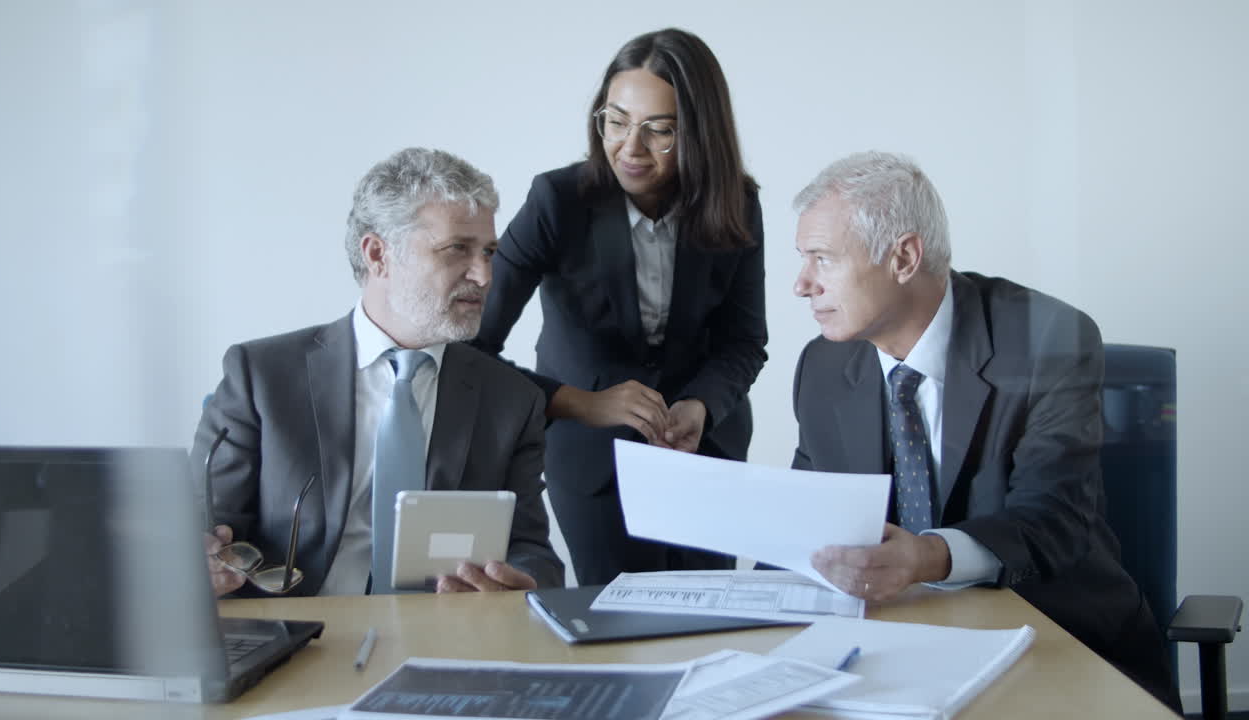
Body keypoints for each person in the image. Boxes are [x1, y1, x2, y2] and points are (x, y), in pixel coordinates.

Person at [790, 150, 1180, 710]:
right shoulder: (824, 368)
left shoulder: (1049, 340)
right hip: (894, 655)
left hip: (1057, 641)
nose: (802, 285)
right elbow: (810, 514)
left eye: (822, 259)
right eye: (803, 259)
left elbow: (1053, 516)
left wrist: (926, 557)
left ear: (903, 257)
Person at [192, 148, 564, 597]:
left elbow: (530, 550)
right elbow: (206, 528)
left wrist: (520, 583)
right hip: (294, 636)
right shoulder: (262, 377)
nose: (485, 275)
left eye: (488, 252)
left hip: (439, 639)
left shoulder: (511, 399)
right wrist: (200, 560)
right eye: (457, 250)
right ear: (378, 254)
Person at [472, 28, 767, 586]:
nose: (629, 147)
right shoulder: (556, 202)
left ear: (701, 134)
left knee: (714, 625)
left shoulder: (738, 203)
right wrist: (582, 404)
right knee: (617, 632)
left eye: (659, 131)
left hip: (704, 454)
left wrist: (701, 405)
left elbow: (744, 341)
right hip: (591, 463)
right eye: (615, 120)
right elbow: (471, 349)